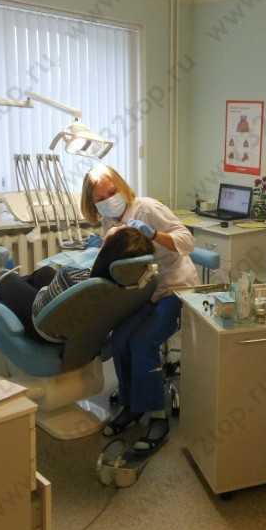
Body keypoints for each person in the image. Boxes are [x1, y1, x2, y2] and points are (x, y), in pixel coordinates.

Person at [80, 163, 198, 453]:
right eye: (100, 198)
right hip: (144, 290)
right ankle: (132, 405)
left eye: (112, 192)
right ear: (92, 204)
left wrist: (153, 234)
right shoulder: (109, 222)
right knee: (120, 339)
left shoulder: (146, 208)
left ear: (122, 186)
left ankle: (157, 415)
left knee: (143, 342)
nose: (109, 200)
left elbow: (188, 241)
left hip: (174, 287)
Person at [0, 225, 153, 343]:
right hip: (70, 323)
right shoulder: (127, 284)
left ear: (107, 251)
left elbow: (46, 293)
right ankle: (7, 289)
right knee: (44, 272)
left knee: (6, 277)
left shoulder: (73, 277)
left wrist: (43, 290)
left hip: (42, 326)